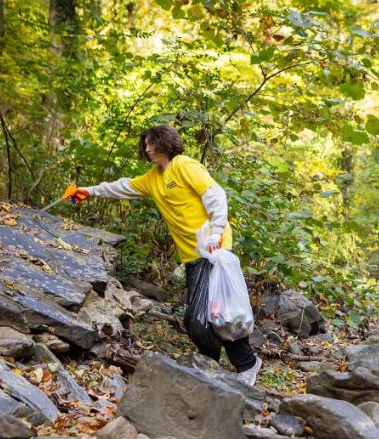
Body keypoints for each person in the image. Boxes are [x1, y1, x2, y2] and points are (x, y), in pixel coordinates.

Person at [67, 124, 262, 385]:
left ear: (166, 143)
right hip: (193, 255)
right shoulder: (152, 178)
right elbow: (122, 187)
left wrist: (216, 232)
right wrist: (88, 191)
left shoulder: (184, 165)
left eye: (152, 144)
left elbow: (215, 194)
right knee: (206, 317)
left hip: (214, 249)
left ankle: (240, 365)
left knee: (203, 318)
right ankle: (215, 370)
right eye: (145, 145)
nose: (147, 149)